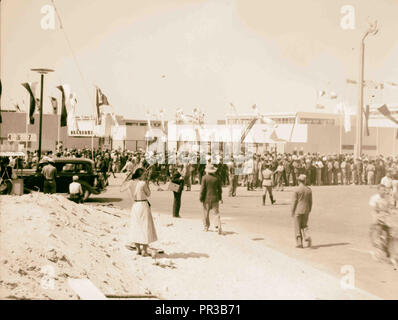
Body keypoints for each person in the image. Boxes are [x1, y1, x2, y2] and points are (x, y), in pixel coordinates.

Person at [125, 168, 157, 257]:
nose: (145, 176)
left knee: (136, 226)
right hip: (143, 204)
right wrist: (147, 183)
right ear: (141, 174)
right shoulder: (142, 183)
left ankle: (138, 249)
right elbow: (148, 194)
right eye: (144, 174)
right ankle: (144, 250)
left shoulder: (130, 184)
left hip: (135, 205)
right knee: (145, 226)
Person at [369, 184, 397, 266]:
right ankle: (377, 248)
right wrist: (376, 218)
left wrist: (392, 211)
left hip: (386, 218)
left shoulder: (386, 199)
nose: (383, 191)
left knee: (390, 235)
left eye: (384, 190)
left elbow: (389, 209)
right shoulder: (375, 198)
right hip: (378, 218)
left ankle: (387, 250)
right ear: (378, 190)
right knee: (378, 231)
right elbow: (374, 210)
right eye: (382, 190)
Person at [200, 164, 223, 234]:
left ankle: (206, 227)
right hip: (215, 198)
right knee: (216, 214)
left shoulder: (204, 178)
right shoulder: (217, 178)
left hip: (206, 199)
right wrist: (220, 198)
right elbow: (220, 190)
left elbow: (203, 189)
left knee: (205, 214)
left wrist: (201, 198)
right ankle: (218, 226)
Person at [291, 174, 312, 248]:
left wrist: (292, 211)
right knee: (304, 225)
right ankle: (307, 235)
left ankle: (299, 242)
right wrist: (309, 210)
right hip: (306, 210)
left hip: (298, 210)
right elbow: (310, 202)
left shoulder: (296, 190)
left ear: (298, 181)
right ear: (305, 181)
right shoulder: (308, 190)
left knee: (297, 226)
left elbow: (294, 202)